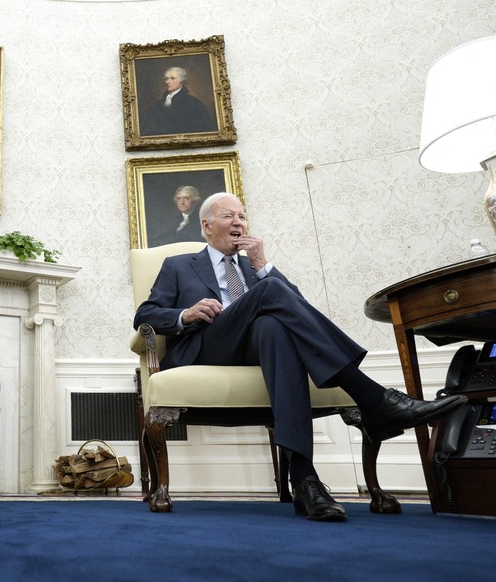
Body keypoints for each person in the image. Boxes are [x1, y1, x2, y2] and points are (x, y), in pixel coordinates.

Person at [133, 192, 467, 522]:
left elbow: (298, 309)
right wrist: (186, 314)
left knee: (273, 328)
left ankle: (305, 480)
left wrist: (263, 266)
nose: (239, 222)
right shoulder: (179, 265)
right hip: (209, 345)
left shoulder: (254, 269)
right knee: (269, 294)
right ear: (207, 226)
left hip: (260, 350)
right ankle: (374, 398)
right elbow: (145, 314)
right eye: (229, 216)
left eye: (243, 216)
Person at [140, 66, 216, 136]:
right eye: (166, 79)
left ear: (182, 81)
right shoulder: (156, 106)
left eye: (172, 78)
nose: (167, 82)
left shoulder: (194, 104)